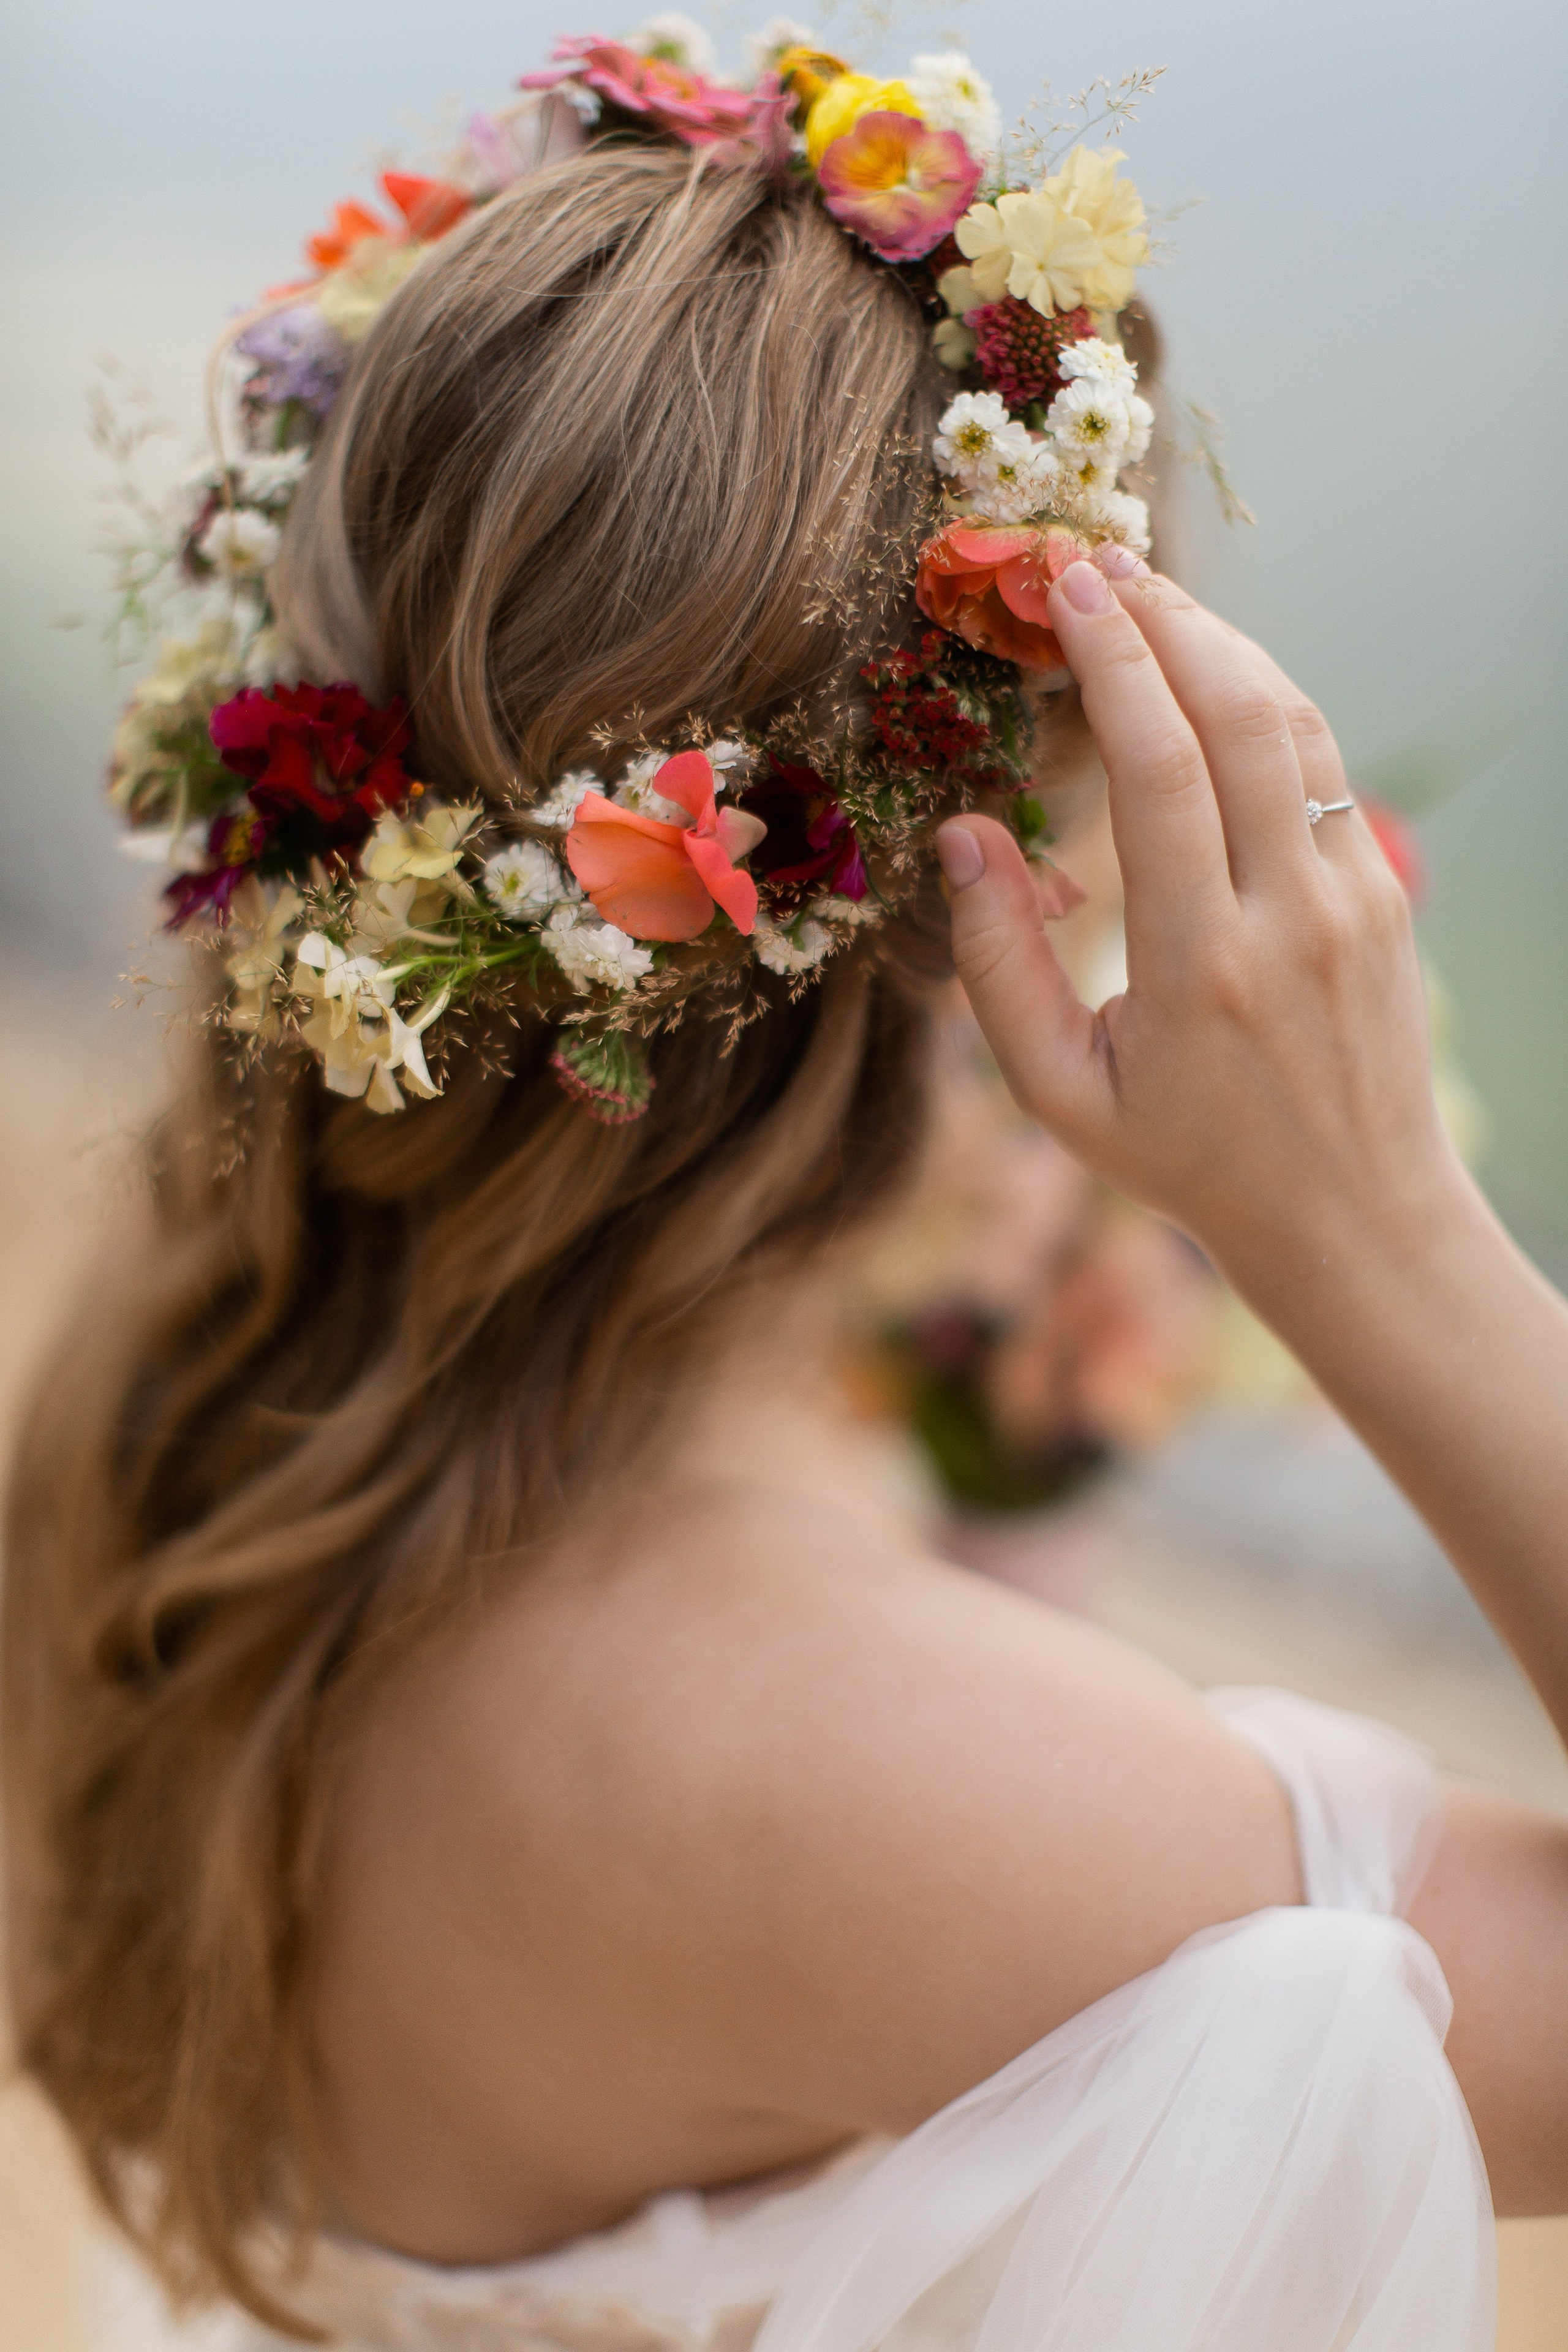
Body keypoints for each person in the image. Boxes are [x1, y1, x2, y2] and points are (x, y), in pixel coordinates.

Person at [4, 34, 1566, 2352]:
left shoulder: (166, 1430)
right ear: (1003, 886)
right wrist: (1378, 1231)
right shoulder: (898, 1800)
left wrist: (982, 1469)